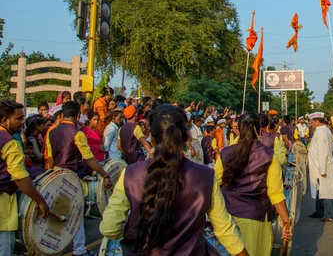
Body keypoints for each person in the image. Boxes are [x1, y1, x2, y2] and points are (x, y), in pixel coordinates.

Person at [100, 104, 248, 255]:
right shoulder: (205, 176)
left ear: (151, 136)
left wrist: (130, 235)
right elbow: (225, 229)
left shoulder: (130, 174)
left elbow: (109, 228)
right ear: (186, 137)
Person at [215, 113, 292, 256]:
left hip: (227, 218)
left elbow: (215, 183)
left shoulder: (225, 153)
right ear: (260, 130)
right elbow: (275, 194)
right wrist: (286, 221)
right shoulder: (268, 155)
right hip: (255, 218)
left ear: (238, 130)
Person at [46, 101, 114, 256]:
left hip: (56, 174)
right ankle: (80, 250)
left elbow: (50, 158)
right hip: (72, 176)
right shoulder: (77, 133)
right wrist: (105, 175)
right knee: (76, 213)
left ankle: (56, 247)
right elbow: (89, 159)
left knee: (60, 212)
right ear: (78, 115)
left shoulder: (52, 132)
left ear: (62, 114)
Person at [0, 100, 50, 256]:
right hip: (3, 202)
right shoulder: (10, 143)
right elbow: (20, 178)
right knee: (4, 245)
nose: (22, 122)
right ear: (4, 120)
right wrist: (40, 200)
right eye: (19, 118)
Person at [307, 112, 333, 222]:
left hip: (322, 167)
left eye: (312, 121)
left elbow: (323, 152)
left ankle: (330, 214)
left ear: (317, 121)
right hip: (319, 166)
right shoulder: (323, 131)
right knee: (320, 190)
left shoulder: (321, 133)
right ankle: (319, 211)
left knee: (326, 191)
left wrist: (322, 169)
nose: (311, 124)